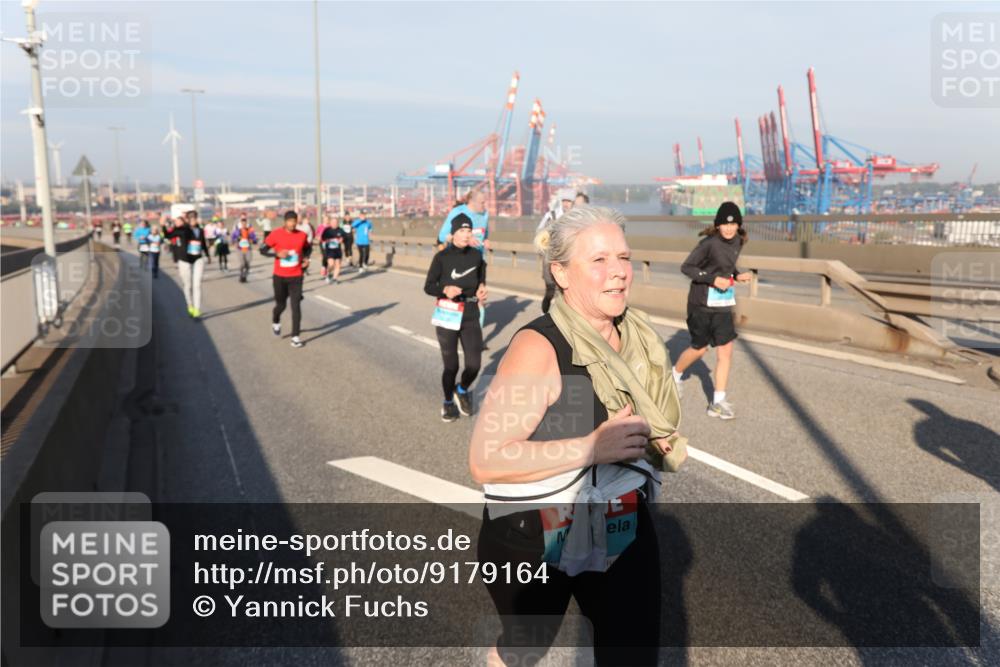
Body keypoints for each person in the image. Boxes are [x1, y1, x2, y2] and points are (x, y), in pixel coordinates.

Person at [468, 205, 686, 666]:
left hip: (620, 520)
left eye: (623, 258)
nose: (619, 273)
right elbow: (486, 459)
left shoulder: (637, 336)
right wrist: (592, 447)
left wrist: (647, 442)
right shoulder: (538, 346)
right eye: (599, 261)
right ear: (561, 273)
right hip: (534, 534)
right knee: (524, 650)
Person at [672, 201, 752, 420]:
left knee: (725, 351)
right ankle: (675, 375)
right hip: (700, 304)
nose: (728, 228)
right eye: (724, 224)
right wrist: (712, 279)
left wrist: (736, 276)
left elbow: (725, 266)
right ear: (717, 225)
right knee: (699, 350)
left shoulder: (738, 241)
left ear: (738, 225)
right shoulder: (709, 243)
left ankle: (718, 402)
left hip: (723, 304)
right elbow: (687, 267)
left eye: (733, 224)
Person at [424, 214, 487, 422]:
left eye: (469, 231)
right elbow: (428, 286)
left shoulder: (477, 257)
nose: (466, 234)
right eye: (461, 231)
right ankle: (448, 402)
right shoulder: (441, 257)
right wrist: (445, 288)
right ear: (452, 234)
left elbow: (481, 282)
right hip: (447, 312)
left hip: (470, 313)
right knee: (451, 366)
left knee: (474, 365)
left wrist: (481, 291)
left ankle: (462, 389)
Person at [265, 210, 312, 348]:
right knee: (281, 305)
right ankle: (276, 320)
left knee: (296, 306)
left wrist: (306, 259)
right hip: (279, 277)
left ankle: (295, 337)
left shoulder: (302, 235)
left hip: (296, 276)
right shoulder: (276, 234)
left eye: (294, 221)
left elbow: (308, 249)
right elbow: (263, 250)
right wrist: (277, 255)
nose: (292, 224)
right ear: (285, 221)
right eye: (290, 221)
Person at [536, 188, 578, 314]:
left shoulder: (576, 218)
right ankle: (544, 314)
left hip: (567, 259)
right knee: (550, 290)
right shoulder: (551, 215)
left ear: (573, 203)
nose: (566, 204)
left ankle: (562, 318)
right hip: (550, 259)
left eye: (569, 201)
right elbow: (539, 233)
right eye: (564, 201)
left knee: (564, 290)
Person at [166, 210, 208, 318]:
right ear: (188, 220)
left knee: (197, 284)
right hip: (185, 260)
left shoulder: (200, 229)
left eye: (195, 217)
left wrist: (207, 255)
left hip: (198, 258)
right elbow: (169, 235)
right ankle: (190, 305)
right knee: (188, 285)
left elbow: (203, 243)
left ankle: (197, 309)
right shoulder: (182, 230)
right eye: (191, 218)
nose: (194, 220)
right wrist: (163, 225)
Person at [231, 215, 259, 283]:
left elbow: (254, 239)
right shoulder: (237, 231)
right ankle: (241, 275)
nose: (244, 224)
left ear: (247, 223)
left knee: (248, 264)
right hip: (240, 249)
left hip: (248, 249)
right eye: (242, 223)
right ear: (240, 223)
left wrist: (253, 241)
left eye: (245, 223)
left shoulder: (250, 231)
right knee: (242, 263)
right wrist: (235, 241)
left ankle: (245, 276)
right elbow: (232, 238)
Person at [320, 218, 345, 284]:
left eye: (336, 222)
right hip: (329, 250)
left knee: (338, 265)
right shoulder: (327, 230)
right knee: (331, 264)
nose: (334, 224)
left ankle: (335, 278)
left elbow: (344, 237)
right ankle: (328, 274)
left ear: (337, 223)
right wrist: (327, 240)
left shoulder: (340, 230)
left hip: (338, 250)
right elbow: (322, 238)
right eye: (333, 222)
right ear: (330, 223)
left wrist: (342, 239)